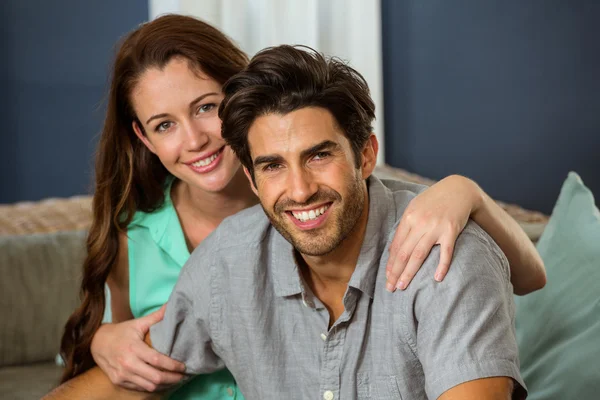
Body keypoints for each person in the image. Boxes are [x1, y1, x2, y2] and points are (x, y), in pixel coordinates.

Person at [56, 15, 545, 399]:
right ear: (253, 172)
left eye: (318, 155)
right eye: (271, 166)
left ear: (367, 153)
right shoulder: (227, 256)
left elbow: (529, 277)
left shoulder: (440, 246)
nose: (300, 188)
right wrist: (103, 340)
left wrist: (466, 191)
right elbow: (125, 373)